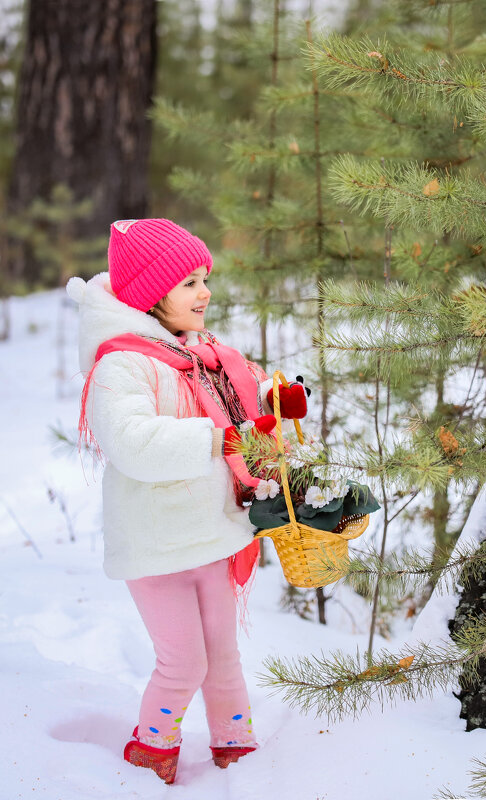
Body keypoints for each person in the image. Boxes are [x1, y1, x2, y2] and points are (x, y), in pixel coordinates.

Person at [66, 218, 308, 784]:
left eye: (205, 279)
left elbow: (243, 404)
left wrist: (276, 400)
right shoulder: (121, 363)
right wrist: (217, 438)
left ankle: (236, 747)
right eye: (190, 284)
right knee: (184, 662)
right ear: (152, 296)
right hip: (157, 543)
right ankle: (152, 749)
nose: (206, 294)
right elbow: (133, 444)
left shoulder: (204, 353)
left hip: (212, 532)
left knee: (222, 654)